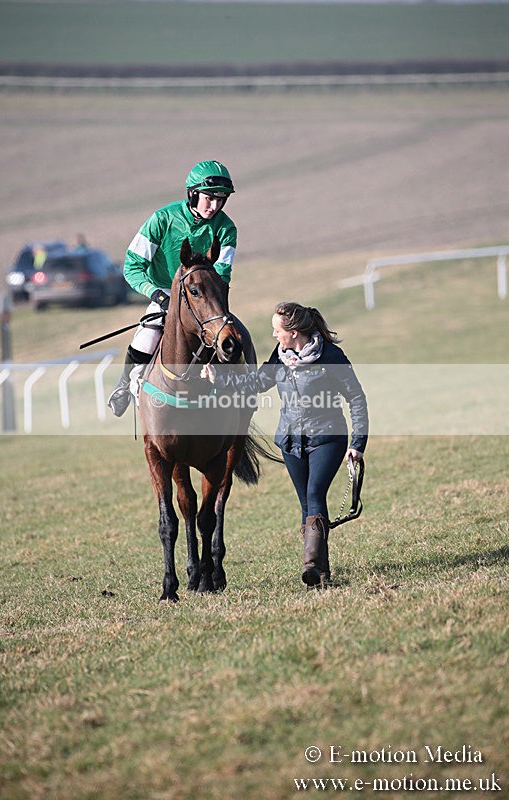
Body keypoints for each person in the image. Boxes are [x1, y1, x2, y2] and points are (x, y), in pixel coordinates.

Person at [201, 302, 368, 588]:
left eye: (277, 329)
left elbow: (356, 398)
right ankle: (321, 573)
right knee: (307, 504)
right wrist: (220, 381)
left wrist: (358, 442)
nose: (274, 334)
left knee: (315, 494)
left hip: (327, 438)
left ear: (293, 331)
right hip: (290, 441)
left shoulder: (331, 356)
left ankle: (311, 565)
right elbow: (255, 383)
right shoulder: (280, 358)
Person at [108, 160, 237, 416]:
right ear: (193, 193)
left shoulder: (227, 228)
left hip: (206, 297)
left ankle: (241, 392)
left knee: (232, 338)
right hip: (164, 293)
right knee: (147, 336)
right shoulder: (162, 219)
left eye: (220, 200)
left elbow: (222, 273)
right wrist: (157, 295)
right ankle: (123, 385)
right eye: (209, 198)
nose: (214, 206)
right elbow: (132, 267)